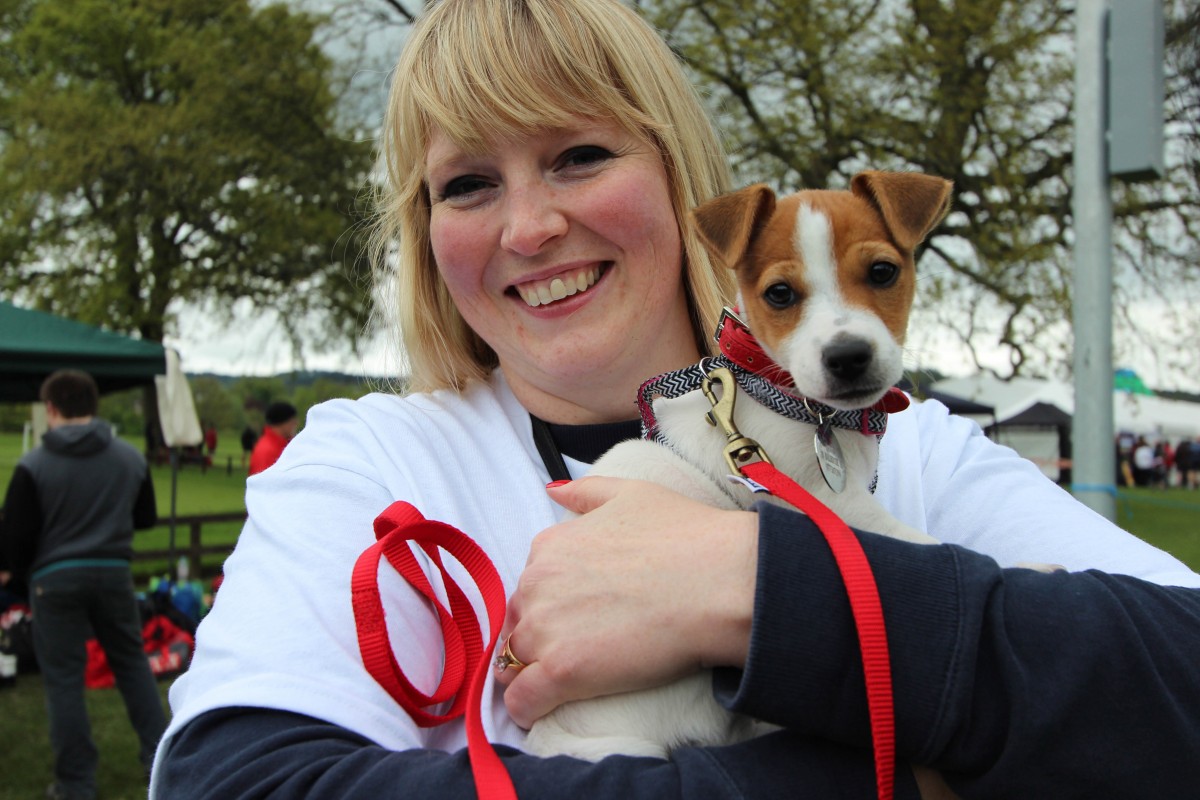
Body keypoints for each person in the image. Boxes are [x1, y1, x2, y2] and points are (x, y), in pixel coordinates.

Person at [150, 1, 1200, 798]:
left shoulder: (907, 446)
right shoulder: (371, 461)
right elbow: (228, 778)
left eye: (579, 155)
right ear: (426, 232)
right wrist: (905, 758)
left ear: (678, 175)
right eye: (467, 183)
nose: (528, 227)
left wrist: (746, 586)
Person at [1, 369, 167, 800]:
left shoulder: (33, 465)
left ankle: (76, 783)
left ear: (51, 409)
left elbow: (15, 539)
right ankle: (161, 759)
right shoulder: (130, 458)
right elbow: (145, 517)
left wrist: (18, 573)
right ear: (94, 407)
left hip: (53, 581)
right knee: (132, 666)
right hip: (113, 573)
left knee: (63, 680)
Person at [246, 402, 298, 476]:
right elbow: (262, 483)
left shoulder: (279, 445)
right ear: (282, 422)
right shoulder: (267, 450)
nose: (296, 423)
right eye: (292, 420)